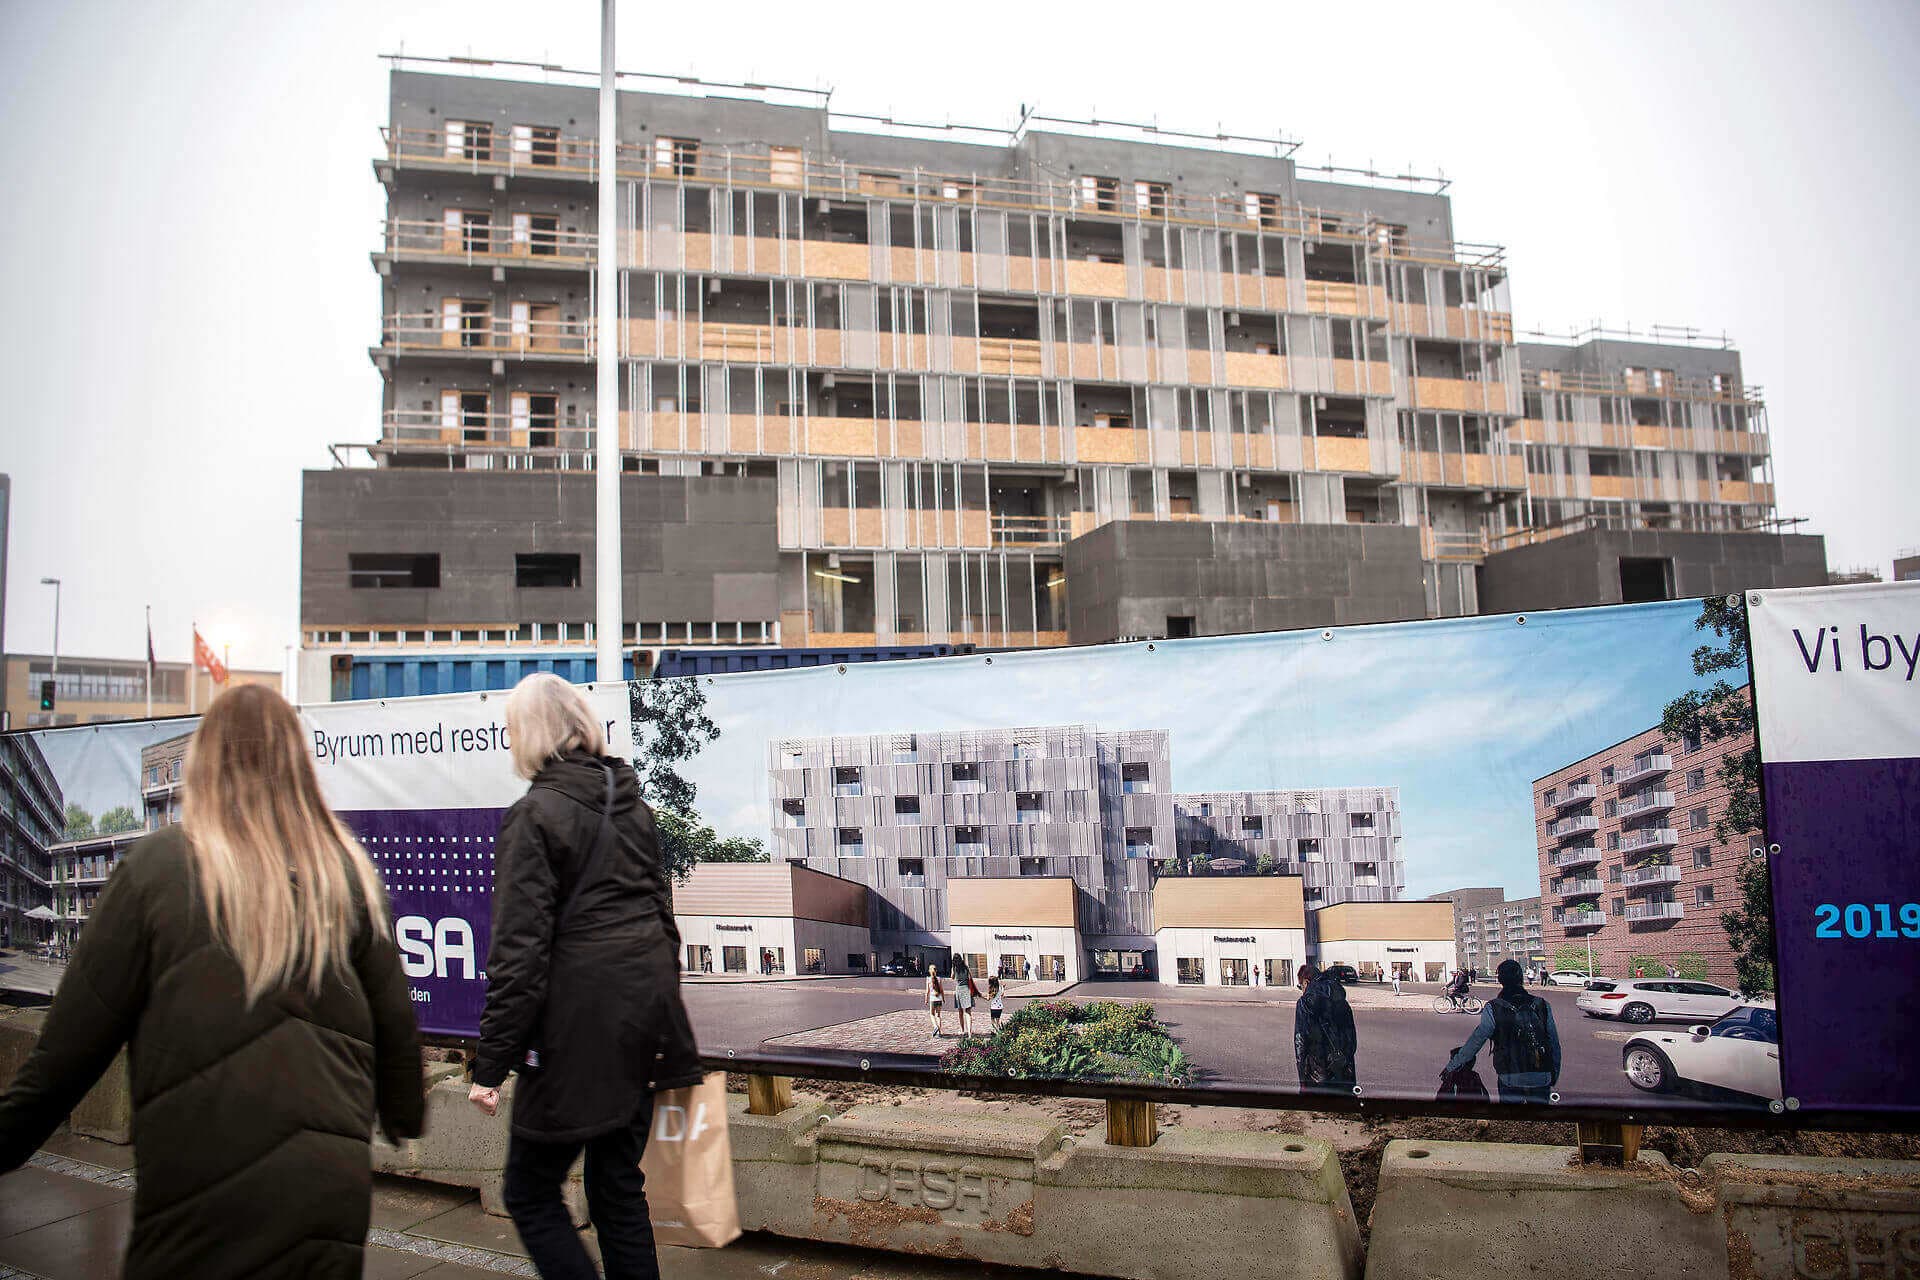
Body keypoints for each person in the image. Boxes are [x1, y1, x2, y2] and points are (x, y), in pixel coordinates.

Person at [0, 684, 425, 1278]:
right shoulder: (345, 875)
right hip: (327, 1199)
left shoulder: (156, 868)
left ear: (204, 767)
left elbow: (64, 1057)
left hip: (199, 1200)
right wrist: (404, 1115)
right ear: (296, 770)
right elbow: (397, 1027)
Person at [468, 674, 703, 1280]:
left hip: (578, 1034)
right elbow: (663, 924)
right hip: (643, 1026)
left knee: (529, 1190)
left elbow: (519, 955)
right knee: (618, 1187)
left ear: (530, 735)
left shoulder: (534, 816)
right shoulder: (636, 810)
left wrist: (491, 1064)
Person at [1441, 959, 1562, 1104]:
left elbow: (1476, 1041)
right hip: (1542, 1076)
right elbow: (1554, 1043)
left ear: (1500, 980)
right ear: (1520, 977)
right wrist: (1554, 1073)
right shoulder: (1542, 1005)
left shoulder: (1493, 1007)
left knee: (1511, 1121)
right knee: (1539, 1122)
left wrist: (1452, 1066)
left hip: (1510, 1076)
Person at [1293, 963, 1358, 1094]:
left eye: (1301, 986)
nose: (1302, 990)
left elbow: (1300, 1041)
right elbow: (1352, 1038)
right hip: (1343, 1069)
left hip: (1317, 1073)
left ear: (1306, 982)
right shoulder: (1342, 1001)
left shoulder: (1305, 1003)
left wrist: (1302, 1079)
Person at [952, 959, 980, 1036]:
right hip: (967, 989)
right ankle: (969, 1033)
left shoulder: (954, 968)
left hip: (959, 990)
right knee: (968, 1012)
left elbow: (952, 977)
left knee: (960, 1012)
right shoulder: (966, 967)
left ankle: (962, 1030)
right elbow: (970, 977)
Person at [926, 968, 945, 1037]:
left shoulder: (928, 979)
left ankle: (935, 1026)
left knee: (931, 1014)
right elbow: (942, 990)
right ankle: (939, 1032)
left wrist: (926, 999)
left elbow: (927, 991)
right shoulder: (939, 979)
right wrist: (943, 998)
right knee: (938, 1015)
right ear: (936, 971)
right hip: (939, 999)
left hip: (932, 999)